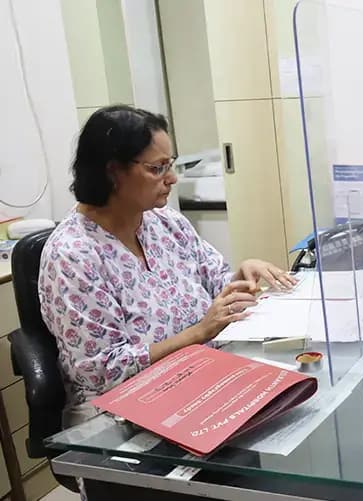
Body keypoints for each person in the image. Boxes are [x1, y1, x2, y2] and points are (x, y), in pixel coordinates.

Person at [38, 105, 297, 427]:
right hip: (122, 411)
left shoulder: (165, 222)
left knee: (293, 408)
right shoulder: (73, 255)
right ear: (113, 171)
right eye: (158, 168)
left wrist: (240, 277)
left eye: (169, 165)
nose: (172, 179)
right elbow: (103, 370)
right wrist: (199, 333)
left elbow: (214, 282)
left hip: (202, 378)